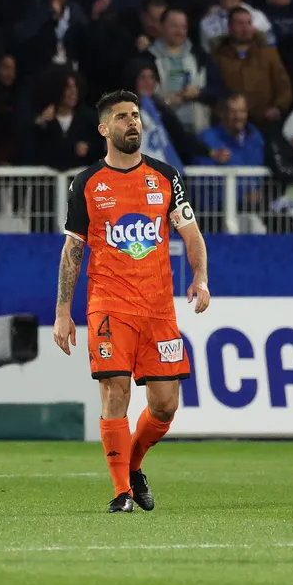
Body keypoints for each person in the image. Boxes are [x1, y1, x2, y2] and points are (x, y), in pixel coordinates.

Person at [53, 90, 211, 513]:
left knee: (165, 405)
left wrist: (200, 277)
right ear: (105, 129)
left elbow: (190, 230)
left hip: (159, 309)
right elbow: (73, 250)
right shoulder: (86, 183)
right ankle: (121, 492)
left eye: (136, 116)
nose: (132, 123)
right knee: (115, 392)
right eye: (122, 117)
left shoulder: (165, 176)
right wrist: (63, 312)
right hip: (109, 305)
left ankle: (134, 465)